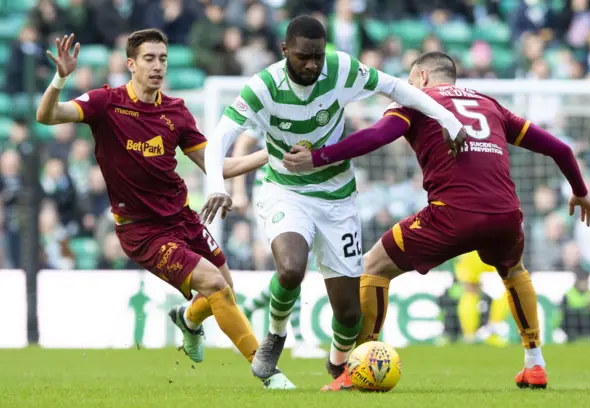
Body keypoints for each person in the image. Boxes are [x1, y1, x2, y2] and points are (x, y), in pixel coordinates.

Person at [282, 51, 590, 390]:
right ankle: (535, 364)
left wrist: (318, 157)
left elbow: (376, 137)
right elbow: (561, 150)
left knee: (373, 267)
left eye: (408, 80)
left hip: (452, 214)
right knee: (514, 272)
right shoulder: (490, 105)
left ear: (420, 76)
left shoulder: (415, 100)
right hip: (505, 215)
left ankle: (358, 367)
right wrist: (580, 191)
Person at [200, 16, 466, 390]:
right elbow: (221, 137)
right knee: (291, 267)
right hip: (286, 190)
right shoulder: (263, 87)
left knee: (349, 314)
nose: (312, 65)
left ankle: (337, 365)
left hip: (338, 197)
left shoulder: (341, 68)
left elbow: (397, 89)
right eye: (303, 57)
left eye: (318, 57)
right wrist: (216, 185)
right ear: (284, 51)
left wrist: (447, 119)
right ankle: (275, 336)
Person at [35, 29, 293, 390]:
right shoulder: (105, 103)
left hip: (184, 218)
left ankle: (188, 320)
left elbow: (219, 166)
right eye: (149, 58)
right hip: (142, 231)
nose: (158, 66)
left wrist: (272, 154)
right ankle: (266, 371)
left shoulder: (176, 111)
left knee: (224, 292)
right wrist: (61, 78)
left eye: (163, 59)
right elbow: (46, 116)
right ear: (131, 64)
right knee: (216, 286)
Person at [231, 129, 328, 359]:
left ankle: (245, 312)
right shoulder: (273, 99)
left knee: (294, 269)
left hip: (304, 190)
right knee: (291, 265)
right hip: (273, 190)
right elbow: (244, 142)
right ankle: (300, 340)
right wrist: (238, 190)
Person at [454, 251, 509, 347]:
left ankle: (469, 336)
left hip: (470, 248)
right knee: (504, 287)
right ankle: (494, 332)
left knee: (470, 291)